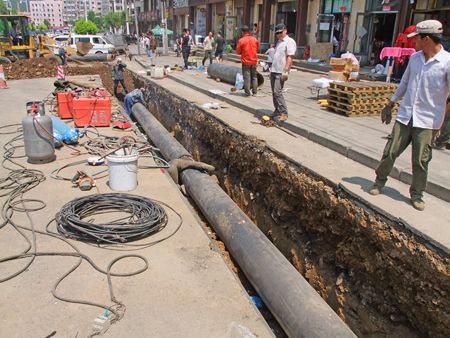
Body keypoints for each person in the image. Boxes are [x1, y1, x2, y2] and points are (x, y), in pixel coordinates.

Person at [369, 20, 450, 211]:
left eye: (416, 39)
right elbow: (404, 84)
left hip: (428, 120)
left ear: (427, 39)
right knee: (390, 152)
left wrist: (441, 123)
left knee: (420, 160)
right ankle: (379, 182)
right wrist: (389, 104)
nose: (412, 42)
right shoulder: (415, 59)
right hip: (406, 115)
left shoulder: (446, 63)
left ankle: (417, 194)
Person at [270, 23, 297, 122]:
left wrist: (286, 70)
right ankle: (277, 110)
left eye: (281, 32)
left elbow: (290, 57)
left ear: (285, 30)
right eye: (277, 33)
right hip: (274, 70)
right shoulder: (279, 42)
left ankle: (284, 112)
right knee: (274, 92)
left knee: (278, 92)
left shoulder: (289, 42)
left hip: (281, 71)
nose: (279, 35)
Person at [236, 25, 259, 96]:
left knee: (247, 77)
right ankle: (255, 92)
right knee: (254, 77)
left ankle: (247, 92)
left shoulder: (241, 40)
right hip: (254, 61)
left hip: (246, 61)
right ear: (248, 31)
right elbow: (257, 49)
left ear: (242, 32)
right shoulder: (255, 39)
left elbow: (238, 51)